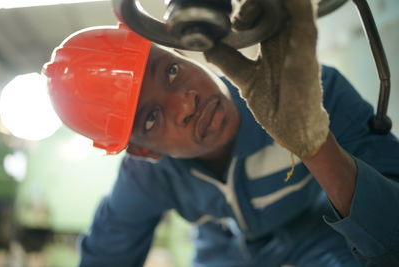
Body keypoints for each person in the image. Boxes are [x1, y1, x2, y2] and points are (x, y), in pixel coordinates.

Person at [43, 0, 399, 266]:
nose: (186, 104)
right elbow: (105, 255)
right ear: (143, 152)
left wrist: (316, 145)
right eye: (151, 119)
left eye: (170, 71)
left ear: (180, 51)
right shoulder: (147, 176)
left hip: (318, 237)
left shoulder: (316, 96)